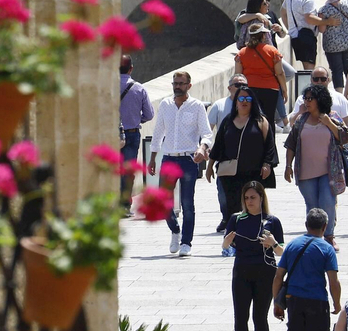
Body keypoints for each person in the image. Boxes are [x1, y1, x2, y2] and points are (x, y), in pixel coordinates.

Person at [272, 209, 341, 331]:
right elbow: (333, 281)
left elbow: (279, 276)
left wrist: (277, 302)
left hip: (294, 300)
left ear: (306, 225)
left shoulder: (293, 245)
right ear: (325, 227)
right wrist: (336, 303)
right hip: (317, 302)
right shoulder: (326, 249)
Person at [223, 182, 284, 331]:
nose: (249, 202)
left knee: (260, 317)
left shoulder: (271, 221)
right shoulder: (236, 219)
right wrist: (226, 242)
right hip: (242, 271)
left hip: (265, 272)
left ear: (261, 198)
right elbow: (226, 247)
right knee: (240, 316)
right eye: (246, 198)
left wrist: (272, 243)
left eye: (253, 198)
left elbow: (283, 251)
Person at [150, 70, 212, 256]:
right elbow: (158, 132)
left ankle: (186, 242)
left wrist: (202, 148)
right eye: (175, 83)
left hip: (188, 159)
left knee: (187, 203)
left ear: (188, 85)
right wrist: (153, 157)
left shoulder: (197, 106)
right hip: (169, 157)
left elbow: (207, 133)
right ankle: (175, 231)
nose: (177, 86)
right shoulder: (166, 105)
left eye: (181, 83)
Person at [283, 86, 348, 245]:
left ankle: (329, 237)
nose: (306, 102)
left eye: (310, 99)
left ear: (319, 100)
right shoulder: (301, 120)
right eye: (305, 98)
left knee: (328, 203)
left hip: (329, 172)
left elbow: (345, 137)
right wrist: (288, 166)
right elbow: (291, 144)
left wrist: (329, 124)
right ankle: (314, 238)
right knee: (312, 207)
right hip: (306, 173)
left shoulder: (332, 117)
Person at [208, 87, 279, 218]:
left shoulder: (260, 121)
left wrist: (267, 164)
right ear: (236, 101)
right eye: (241, 98)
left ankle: (253, 231)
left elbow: (270, 145)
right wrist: (209, 166)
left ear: (253, 102)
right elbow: (218, 144)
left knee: (252, 205)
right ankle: (233, 232)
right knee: (231, 207)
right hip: (229, 174)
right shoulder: (227, 122)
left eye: (248, 99)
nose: (244, 101)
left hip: (253, 173)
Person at [118, 55, 155, 215]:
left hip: (111, 133)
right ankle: (124, 205)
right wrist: (134, 119)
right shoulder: (138, 88)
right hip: (131, 133)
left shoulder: (107, 86)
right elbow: (149, 114)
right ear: (131, 68)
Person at [234, 24, 288, 129]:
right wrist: (284, 90)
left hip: (250, 89)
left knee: (251, 118)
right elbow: (280, 73)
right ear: (263, 36)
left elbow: (238, 75)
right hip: (270, 89)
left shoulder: (242, 53)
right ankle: (270, 144)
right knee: (269, 119)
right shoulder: (272, 51)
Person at [312, 0, 348, 89]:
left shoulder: (324, 10)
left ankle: (340, 94)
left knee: (337, 71)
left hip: (332, 46)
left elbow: (322, 29)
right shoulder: (346, 4)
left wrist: (327, 22)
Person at [281, 0, 321, 71]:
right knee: (309, 69)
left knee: (305, 67)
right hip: (306, 37)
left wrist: (290, 28)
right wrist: (327, 21)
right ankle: (309, 86)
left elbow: (283, 12)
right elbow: (309, 18)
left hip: (295, 36)